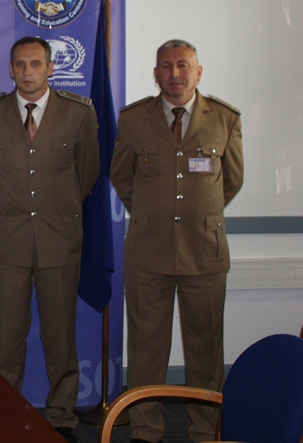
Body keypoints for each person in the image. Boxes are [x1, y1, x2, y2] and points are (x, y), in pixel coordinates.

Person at [110, 39, 243, 443]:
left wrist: (196, 217)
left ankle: (205, 430)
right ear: (156, 74)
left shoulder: (224, 118)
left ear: (198, 72)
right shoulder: (134, 119)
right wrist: (154, 215)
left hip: (204, 253)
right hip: (148, 252)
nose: (174, 74)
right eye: (166, 66)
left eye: (183, 65)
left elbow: (232, 180)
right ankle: (146, 430)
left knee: (206, 350)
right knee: (146, 349)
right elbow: (122, 176)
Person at [0, 36, 99, 443]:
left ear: (50, 68)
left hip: (59, 239)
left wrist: (54, 207)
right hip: (9, 240)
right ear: (10, 69)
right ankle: (8, 411)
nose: (27, 72)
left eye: (35, 64)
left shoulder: (78, 113)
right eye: (20, 64)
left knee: (60, 336)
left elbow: (87, 172)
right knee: (9, 337)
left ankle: (62, 414)